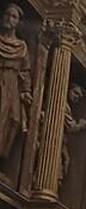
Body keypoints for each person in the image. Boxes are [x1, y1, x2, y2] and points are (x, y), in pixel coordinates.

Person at [0, 2, 32, 161]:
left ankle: (2, 158)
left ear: (18, 22)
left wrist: (26, 90)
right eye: (7, 14)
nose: (9, 18)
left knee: (14, 119)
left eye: (14, 16)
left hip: (12, 83)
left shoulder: (22, 46)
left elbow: (25, 71)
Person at [60, 83, 86, 185]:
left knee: (65, 162)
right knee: (63, 163)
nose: (77, 97)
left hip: (61, 141)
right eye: (75, 93)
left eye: (79, 97)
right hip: (54, 141)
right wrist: (81, 124)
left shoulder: (67, 106)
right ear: (68, 90)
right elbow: (71, 127)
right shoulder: (63, 104)